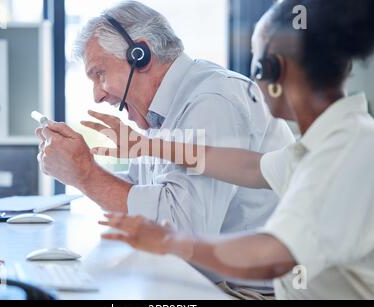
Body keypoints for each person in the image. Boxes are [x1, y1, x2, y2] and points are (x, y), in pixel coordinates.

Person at [88, 0, 374, 299]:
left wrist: (171, 241)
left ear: (274, 69)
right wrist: (145, 145)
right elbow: (247, 167)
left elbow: (271, 256)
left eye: (257, 61)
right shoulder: (332, 142)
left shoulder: (348, 150)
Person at [36, 0, 294, 290]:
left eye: (100, 74)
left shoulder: (212, 100)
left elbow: (185, 236)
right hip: (204, 283)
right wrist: (78, 170)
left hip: (245, 293)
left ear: (140, 56)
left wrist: (85, 174)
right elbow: (138, 190)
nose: (97, 95)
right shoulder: (158, 116)